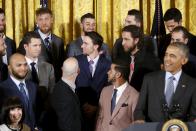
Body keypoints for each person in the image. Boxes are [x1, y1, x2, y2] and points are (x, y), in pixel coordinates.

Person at [134, 42, 196, 122]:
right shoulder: (149, 79)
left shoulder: (192, 84)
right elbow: (139, 109)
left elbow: (193, 115)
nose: (167, 59)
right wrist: (139, 120)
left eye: (172, 56)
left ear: (184, 61)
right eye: (166, 55)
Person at [75, 31, 111, 131]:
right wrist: (83, 105)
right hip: (79, 114)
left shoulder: (108, 65)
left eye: (86, 43)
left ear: (95, 46)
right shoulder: (75, 61)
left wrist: (96, 108)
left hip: (100, 115)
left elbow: (110, 91)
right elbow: (70, 86)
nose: (82, 46)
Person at [17, 8, 65, 82]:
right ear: (36, 21)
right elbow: (20, 61)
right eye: (40, 19)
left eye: (46, 19)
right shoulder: (28, 38)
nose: (44, 23)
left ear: (52, 20)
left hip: (54, 84)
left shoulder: (59, 41)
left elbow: (61, 65)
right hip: (33, 83)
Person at [22, 31, 55, 127]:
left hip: (45, 119)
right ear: (25, 47)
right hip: (24, 118)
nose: (38, 49)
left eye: (40, 45)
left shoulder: (49, 67)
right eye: (35, 45)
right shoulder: (17, 67)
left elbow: (52, 93)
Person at [96, 59, 139, 131]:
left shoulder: (135, 95)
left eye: (110, 70)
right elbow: (99, 117)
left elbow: (136, 124)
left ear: (118, 74)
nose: (108, 72)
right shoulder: (105, 91)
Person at [0, 53, 37, 130]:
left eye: (25, 64)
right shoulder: (2, 89)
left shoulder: (33, 86)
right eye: (19, 65)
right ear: (9, 68)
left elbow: (37, 110)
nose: (23, 68)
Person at [121, 25, 160, 91]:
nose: (122, 43)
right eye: (122, 39)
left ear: (136, 40)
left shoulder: (150, 61)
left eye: (126, 39)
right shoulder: (123, 57)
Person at [51, 57, 82, 131]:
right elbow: (67, 126)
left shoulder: (60, 86)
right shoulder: (65, 96)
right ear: (78, 71)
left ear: (62, 69)